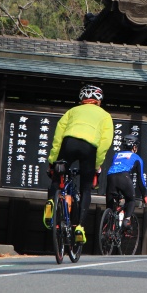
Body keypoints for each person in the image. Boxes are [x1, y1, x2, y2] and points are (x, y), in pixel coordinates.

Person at [45, 84, 114, 244]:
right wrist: (96, 165)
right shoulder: (105, 116)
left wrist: (52, 161)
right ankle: (80, 227)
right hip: (89, 149)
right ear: (99, 100)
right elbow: (105, 143)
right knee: (85, 188)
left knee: (57, 178)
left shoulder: (72, 112)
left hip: (68, 143)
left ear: (82, 99)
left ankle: (51, 204)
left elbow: (58, 137)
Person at [105, 134, 147, 230]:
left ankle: (108, 229)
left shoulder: (116, 155)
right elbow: (140, 179)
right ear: (134, 147)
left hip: (110, 177)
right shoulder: (137, 158)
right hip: (124, 177)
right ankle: (126, 220)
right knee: (131, 200)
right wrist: (144, 195)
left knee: (110, 208)